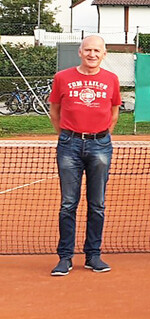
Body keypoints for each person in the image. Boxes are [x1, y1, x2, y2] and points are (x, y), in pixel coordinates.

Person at [49, 35, 121, 276]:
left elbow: (114, 111)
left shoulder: (111, 79)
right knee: (68, 204)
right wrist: (68, 136)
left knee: (97, 204)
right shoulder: (62, 78)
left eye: (97, 51)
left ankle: (93, 255)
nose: (92, 54)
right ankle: (65, 257)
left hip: (100, 144)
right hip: (69, 145)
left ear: (104, 54)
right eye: (88, 50)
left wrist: (100, 136)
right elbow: (55, 110)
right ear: (80, 52)